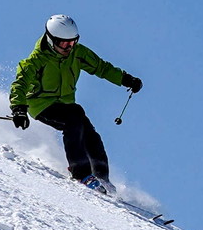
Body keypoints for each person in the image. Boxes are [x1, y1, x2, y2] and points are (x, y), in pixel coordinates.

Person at [9, 14, 143, 193]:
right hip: (41, 104)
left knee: (90, 135)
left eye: (72, 42)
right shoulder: (36, 60)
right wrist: (19, 108)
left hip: (67, 106)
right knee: (75, 116)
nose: (68, 47)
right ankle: (81, 173)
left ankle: (103, 178)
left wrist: (126, 79)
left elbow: (101, 67)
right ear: (50, 40)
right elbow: (20, 83)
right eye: (63, 43)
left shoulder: (78, 53)